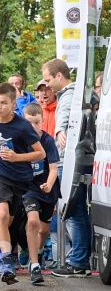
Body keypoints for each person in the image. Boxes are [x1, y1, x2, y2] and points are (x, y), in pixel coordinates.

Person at [0, 83, 45, 285]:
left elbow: (40, 153)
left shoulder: (23, 126)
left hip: (19, 177)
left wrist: (17, 157)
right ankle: (7, 262)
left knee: (8, 220)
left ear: (13, 104)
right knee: (2, 214)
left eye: (3, 103)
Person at [42, 58, 92, 278]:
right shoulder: (73, 94)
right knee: (77, 211)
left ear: (59, 76)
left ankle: (79, 262)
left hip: (68, 162)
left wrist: (61, 132)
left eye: (48, 79)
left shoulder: (69, 95)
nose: (47, 85)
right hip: (73, 160)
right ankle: (79, 259)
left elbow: (64, 123)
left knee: (75, 212)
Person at [21, 103, 60, 285]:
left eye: (36, 123)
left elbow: (53, 169)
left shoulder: (48, 141)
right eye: (29, 123)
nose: (33, 127)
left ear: (42, 122)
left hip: (47, 187)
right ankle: (34, 264)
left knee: (44, 229)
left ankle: (40, 249)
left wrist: (49, 185)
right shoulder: (20, 142)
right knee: (33, 221)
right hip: (29, 188)